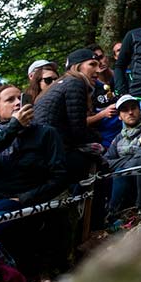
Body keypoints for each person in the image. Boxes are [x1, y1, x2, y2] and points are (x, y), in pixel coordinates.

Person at [0, 84, 70, 269]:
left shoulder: (46, 133)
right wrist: (13, 128)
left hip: (26, 204)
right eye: (10, 100)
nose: (18, 103)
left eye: (21, 98)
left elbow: (60, 178)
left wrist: (25, 197)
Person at [32, 48, 104, 187]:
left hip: (47, 149)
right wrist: (97, 140)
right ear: (77, 66)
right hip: (52, 154)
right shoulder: (75, 83)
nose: (98, 70)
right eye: (92, 64)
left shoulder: (64, 83)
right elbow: (78, 130)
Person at [105, 94, 141, 218]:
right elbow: (105, 162)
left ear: (139, 110)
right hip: (124, 181)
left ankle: (113, 213)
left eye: (133, 108)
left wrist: (123, 163)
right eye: (125, 110)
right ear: (119, 116)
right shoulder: (118, 139)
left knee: (121, 171)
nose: (130, 112)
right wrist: (128, 161)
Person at [86, 44, 120, 149]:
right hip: (107, 139)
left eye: (100, 57)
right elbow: (83, 121)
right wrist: (102, 114)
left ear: (106, 57)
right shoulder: (89, 88)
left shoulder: (122, 76)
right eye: (94, 61)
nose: (100, 63)